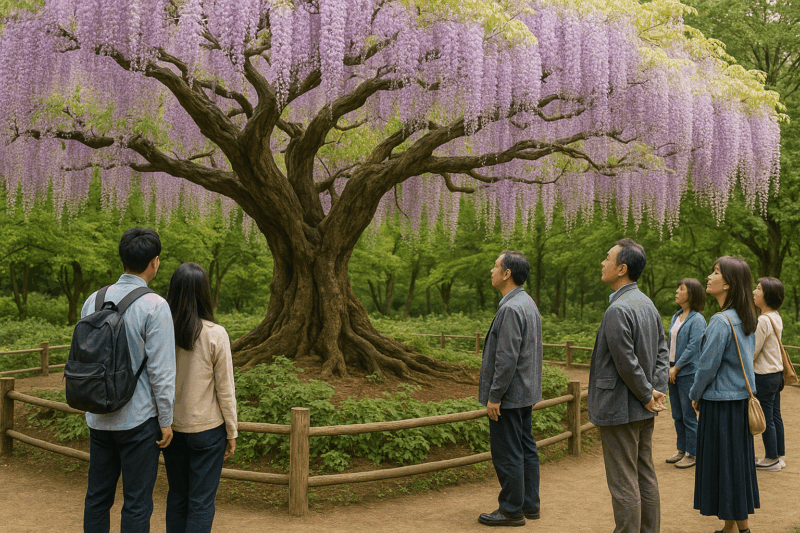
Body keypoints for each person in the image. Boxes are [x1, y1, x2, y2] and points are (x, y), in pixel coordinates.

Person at [82, 228, 176, 533]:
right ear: (155, 262)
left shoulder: (92, 300)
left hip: (98, 417)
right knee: (136, 502)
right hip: (138, 420)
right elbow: (161, 373)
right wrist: (166, 419)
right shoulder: (155, 306)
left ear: (122, 258)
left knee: (97, 498)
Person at [588, 238, 669, 533]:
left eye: (607, 258)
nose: (602, 262)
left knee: (623, 479)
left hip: (621, 406)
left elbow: (625, 362)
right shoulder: (647, 303)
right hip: (643, 405)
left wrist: (649, 393)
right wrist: (655, 393)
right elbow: (662, 352)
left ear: (621, 268)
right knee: (644, 472)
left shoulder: (618, 309)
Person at [163, 263, 238, 533]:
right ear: (204, 293)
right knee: (201, 502)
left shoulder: (162, 332)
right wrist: (232, 431)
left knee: (177, 496)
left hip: (171, 428)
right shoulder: (215, 334)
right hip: (207, 431)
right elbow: (225, 389)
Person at [690, 256, 759, 533]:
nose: (709, 276)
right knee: (735, 466)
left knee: (725, 466)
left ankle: (741, 530)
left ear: (728, 284)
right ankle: (733, 527)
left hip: (719, 405)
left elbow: (707, 366)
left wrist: (694, 394)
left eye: (715, 272)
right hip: (740, 403)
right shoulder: (745, 318)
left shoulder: (720, 321)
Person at [477, 251, 543, 527]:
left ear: (507, 274)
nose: (491, 270)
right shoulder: (527, 302)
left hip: (510, 395)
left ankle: (511, 509)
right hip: (525, 392)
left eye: (495, 266)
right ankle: (529, 504)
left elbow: (506, 358)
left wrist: (495, 396)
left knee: (508, 452)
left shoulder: (511, 308)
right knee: (526, 448)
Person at [665, 279, 706, 469]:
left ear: (691, 294)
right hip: (672, 370)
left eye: (681, 289)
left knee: (689, 414)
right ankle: (682, 449)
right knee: (677, 414)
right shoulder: (677, 316)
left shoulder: (697, 319)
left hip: (687, 372)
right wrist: (668, 365)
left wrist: (677, 367)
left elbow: (693, 347)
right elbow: (670, 343)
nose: (676, 291)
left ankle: (693, 453)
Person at [752, 276, 786, 472]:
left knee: (767, 419)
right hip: (776, 374)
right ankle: (779, 455)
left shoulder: (763, 320)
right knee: (775, 416)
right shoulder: (776, 316)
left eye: (758, 289)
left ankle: (771, 458)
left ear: (767, 295)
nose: (754, 292)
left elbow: (753, 351)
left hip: (764, 375)